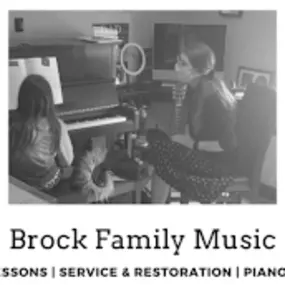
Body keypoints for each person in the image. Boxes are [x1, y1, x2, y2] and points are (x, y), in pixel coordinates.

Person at [141, 39, 238, 203]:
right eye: (178, 61)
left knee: (160, 153)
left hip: (218, 165)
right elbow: (194, 128)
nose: (176, 67)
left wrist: (192, 144)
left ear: (198, 71)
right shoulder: (197, 89)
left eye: (183, 63)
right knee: (155, 139)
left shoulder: (213, 98)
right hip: (203, 154)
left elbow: (227, 144)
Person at [9, 74, 74, 191]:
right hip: (47, 181)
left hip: (18, 182)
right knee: (68, 167)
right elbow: (67, 158)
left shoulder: (13, 126)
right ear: (48, 100)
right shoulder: (55, 124)